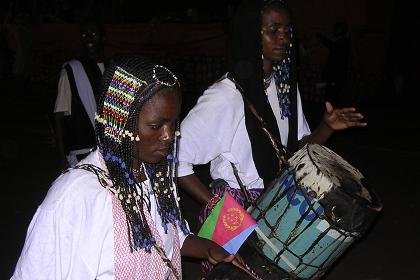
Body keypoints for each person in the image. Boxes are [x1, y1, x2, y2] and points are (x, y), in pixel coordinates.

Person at [177, 0, 366, 275]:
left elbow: (297, 155)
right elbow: (176, 160)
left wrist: (326, 127)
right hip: (232, 207)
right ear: (250, 33)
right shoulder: (225, 96)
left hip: (278, 201)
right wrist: (222, 210)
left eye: (287, 31)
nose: (283, 38)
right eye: (273, 29)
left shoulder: (285, 89)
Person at [11, 56, 243, 279]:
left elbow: (168, 238)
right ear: (120, 124)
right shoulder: (77, 195)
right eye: (156, 125)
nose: (169, 136)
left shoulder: (157, 175)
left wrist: (209, 249)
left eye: (173, 124)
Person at [54, 18, 107, 168]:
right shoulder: (71, 71)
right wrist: (62, 158)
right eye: (84, 35)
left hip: (112, 153)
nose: (88, 38)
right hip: (82, 154)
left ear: (103, 38)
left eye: (93, 33)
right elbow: (59, 117)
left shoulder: (113, 69)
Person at [316, 21, 350, 105]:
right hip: (334, 77)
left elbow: (334, 49)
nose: (334, 30)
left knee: (332, 99)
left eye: (337, 28)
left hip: (335, 77)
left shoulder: (342, 42)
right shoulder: (341, 42)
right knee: (331, 98)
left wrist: (323, 39)